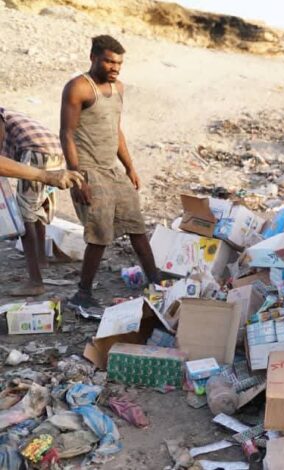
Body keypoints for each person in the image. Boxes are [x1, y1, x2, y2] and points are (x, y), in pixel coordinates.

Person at [60, 35, 160, 312]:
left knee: (137, 226)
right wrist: (76, 177)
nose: (115, 68)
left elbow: (116, 130)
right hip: (89, 170)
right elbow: (66, 133)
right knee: (100, 233)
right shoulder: (79, 87)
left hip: (112, 169)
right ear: (93, 57)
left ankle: (156, 282)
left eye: (119, 63)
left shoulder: (119, 88)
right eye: (108, 61)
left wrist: (130, 167)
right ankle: (83, 293)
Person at [0, 108, 85, 296]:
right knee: (35, 209)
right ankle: (41, 259)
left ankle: (35, 281)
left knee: (24, 217)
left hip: (36, 152)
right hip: (54, 150)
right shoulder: (9, 111)